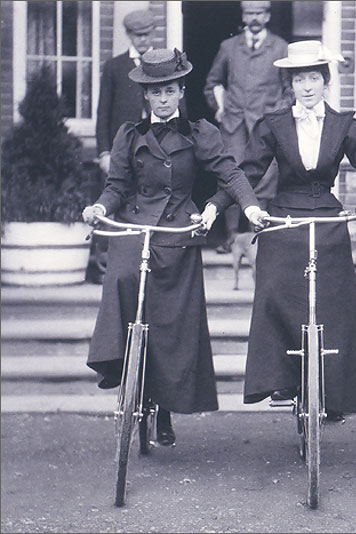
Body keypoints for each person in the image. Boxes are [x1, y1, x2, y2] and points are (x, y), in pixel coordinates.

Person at [212, 40, 356, 420]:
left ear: (326, 81)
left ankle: (333, 392)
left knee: (336, 305)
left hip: (327, 219)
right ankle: (283, 378)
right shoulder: (272, 125)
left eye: (313, 78)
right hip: (285, 219)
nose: (307, 86)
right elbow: (247, 172)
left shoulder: (346, 126)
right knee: (274, 290)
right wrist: (217, 206)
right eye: (299, 79)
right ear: (290, 84)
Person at [82, 48, 268, 446]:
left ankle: (164, 407)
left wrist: (249, 206)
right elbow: (116, 187)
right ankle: (121, 369)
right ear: (145, 95)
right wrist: (100, 207)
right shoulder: (129, 134)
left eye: (170, 90)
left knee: (171, 323)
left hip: (178, 231)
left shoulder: (200, 132)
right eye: (156, 92)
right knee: (122, 278)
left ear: (181, 91)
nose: (163, 99)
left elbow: (230, 174)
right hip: (136, 227)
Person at [203, 0, 290, 253]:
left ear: (267, 16)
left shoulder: (280, 47)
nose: (254, 18)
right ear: (243, 16)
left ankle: (257, 234)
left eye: (259, 13)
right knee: (230, 173)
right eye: (250, 13)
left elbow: (289, 90)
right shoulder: (229, 47)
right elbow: (212, 83)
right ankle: (231, 236)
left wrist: (276, 114)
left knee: (265, 176)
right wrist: (220, 107)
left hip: (265, 126)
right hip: (233, 125)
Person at [87, 9, 157, 285]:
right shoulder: (115, 67)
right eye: (137, 35)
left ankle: (146, 263)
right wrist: (104, 152)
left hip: (154, 148)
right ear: (128, 35)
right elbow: (103, 112)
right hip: (122, 148)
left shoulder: (162, 64)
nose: (142, 40)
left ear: (153, 33)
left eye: (147, 34)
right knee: (113, 202)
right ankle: (105, 265)